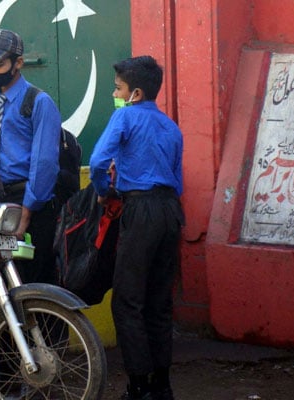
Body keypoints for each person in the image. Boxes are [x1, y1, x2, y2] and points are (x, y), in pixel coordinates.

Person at [0, 28, 62, 397]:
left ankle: (40, 370)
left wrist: (29, 208)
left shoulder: (39, 102)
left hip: (29, 205)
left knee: (32, 288)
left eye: (0, 63)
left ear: (19, 63)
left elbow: (44, 161)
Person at [89, 55, 184, 400]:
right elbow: (177, 179)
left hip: (140, 210)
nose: (115, 94)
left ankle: (138, 387)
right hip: (171, 212)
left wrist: (103, 192)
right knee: (159, 302)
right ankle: (162, 386)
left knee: (127, 302)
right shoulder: (171, 127)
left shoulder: (124, 116)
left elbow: (99, 161)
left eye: (118, 89)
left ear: (136, 93)